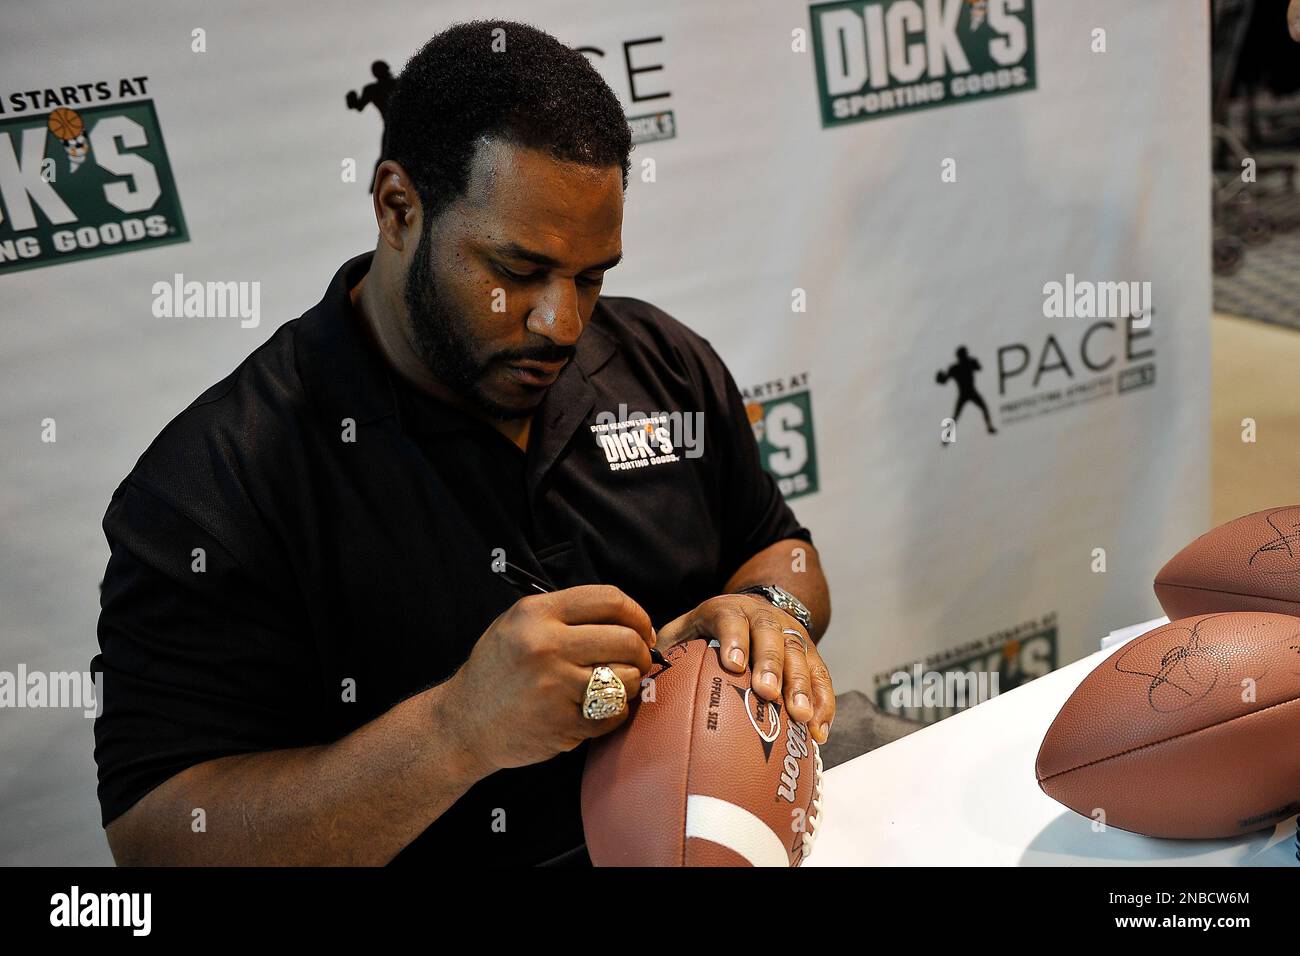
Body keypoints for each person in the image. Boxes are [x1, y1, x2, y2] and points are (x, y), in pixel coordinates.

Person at [92, 19, 835, 866]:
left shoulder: (659, 361)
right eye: (517, 272)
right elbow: (158, 841)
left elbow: (782, 552)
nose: (562, 322)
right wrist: (456, 733)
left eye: (592, 277)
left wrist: (761, 623)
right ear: (398, 207)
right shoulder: (218, 481)